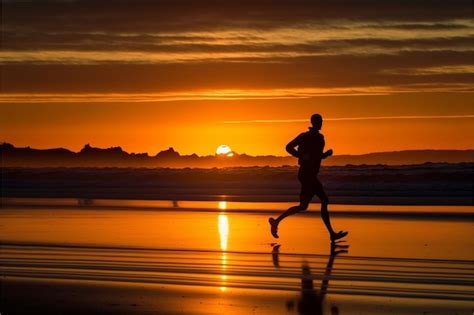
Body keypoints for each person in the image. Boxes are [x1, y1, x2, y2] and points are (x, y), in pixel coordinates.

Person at [268, 114, 348, 242]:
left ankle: (276, 222)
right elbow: (288, 147)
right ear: (313, 122)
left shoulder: (320, 138)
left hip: (310, 174)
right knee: (324, 200)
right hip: (306, 174)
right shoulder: (304, 136)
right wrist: (301, 155)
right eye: (319, 121)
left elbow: (317, 156)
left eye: (321, 121)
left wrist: (325, 154)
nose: (321, 123)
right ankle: (332, 234)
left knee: (303, 206)